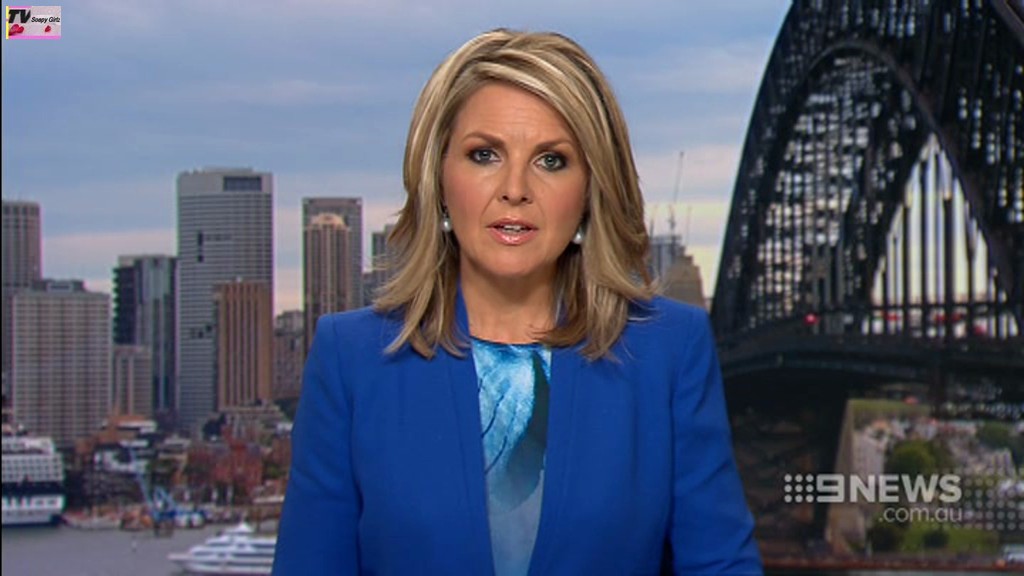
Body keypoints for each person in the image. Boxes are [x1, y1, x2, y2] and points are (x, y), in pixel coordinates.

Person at [273, 29, 762, 575]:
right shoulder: (350, 358)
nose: (514, 188)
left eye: (551, 160)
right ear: (438, 176)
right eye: (484, 155)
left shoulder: (669, 350)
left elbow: (720, 564)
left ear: (591, 189)